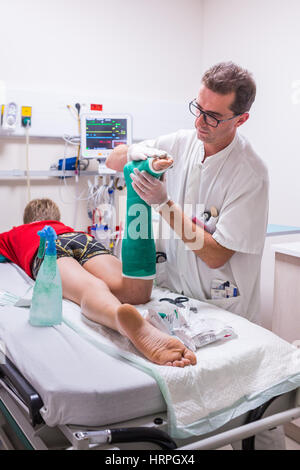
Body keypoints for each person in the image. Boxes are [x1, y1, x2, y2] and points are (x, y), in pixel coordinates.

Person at [106, 62, 286, 450]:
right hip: (178, 303)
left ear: (241, 119)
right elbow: (113, 159)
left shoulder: (250, 174)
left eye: (213, 116)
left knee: (255, 416)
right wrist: (138, 151)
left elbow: (217, 254)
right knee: (199, 419)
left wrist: (164, 203)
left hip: (227, 313)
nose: (200, 122)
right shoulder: (181, 142)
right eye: (197, 108)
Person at [0, 192, 196, 369]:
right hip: (82, 240)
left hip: (48, 246)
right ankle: (133, 298)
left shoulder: (17, 233)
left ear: (26, 220)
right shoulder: (69, 227)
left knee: (91, 288)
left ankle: (118, 316)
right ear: (57, 218)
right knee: (132, 290)